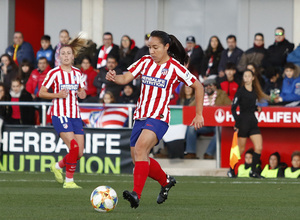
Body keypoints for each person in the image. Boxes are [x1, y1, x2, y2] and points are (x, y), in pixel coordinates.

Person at [106, 30, 204, 208]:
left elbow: (198, 86)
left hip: (159, 117)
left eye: (155, 47)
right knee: (139, 158)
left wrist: (199, 114)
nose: (151, 51)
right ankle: (166, 181)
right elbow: (126, 77)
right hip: (140, 116)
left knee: (142, 148)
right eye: (149, 47)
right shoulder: (144, 62)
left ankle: (136, 194)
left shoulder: (175, 67)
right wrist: (115, 78)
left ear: (166, 47)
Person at [39, 36, 88, 189]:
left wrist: (82, 94)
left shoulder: (78, 73)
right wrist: (57, 95)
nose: (66, 56)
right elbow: (41, 92)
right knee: (73, 147)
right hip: (60, 114)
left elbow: (82, 91)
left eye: (69, 53)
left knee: (79, 153)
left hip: (75, 115)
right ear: (59, 57)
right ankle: (69, 181)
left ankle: (58, 166)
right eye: (63, 54)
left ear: (73, 56)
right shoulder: (54, 73)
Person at [229, 69, 269, 178]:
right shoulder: (240, 91)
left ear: (253, 78)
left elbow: (249, 106)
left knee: (259, 147)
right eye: (244, 76)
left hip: (252, 122)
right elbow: (233, 108)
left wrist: (257, 108)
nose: (246, 78)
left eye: (248, 76)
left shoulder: (254, 91)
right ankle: (231, 170)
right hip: (243, 123)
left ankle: (253, 171)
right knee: (241, 149)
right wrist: (237, 122)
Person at [185, 78, 231, 159]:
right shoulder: (200, 95)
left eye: (210, 85)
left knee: (220, 131)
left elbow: (229, 106)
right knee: (191, 127)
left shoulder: (222, 95)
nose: (208, 87)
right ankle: (191, 152)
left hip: (217, 124)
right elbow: (190, 108)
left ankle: (208, 153)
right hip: (204, 124)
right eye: (206, 86)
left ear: (215, 86)